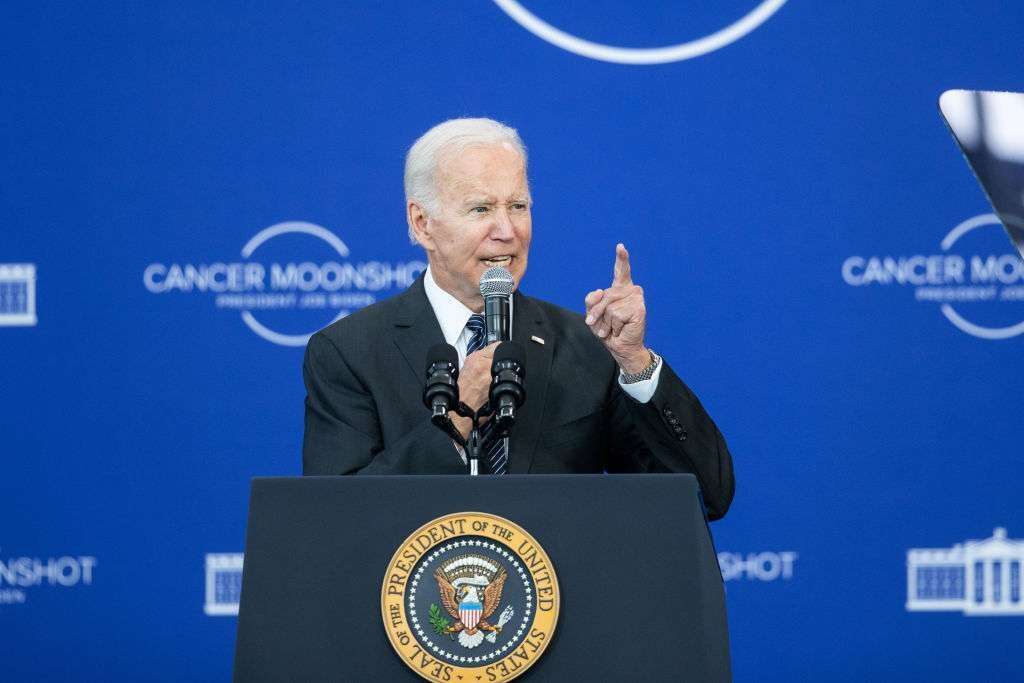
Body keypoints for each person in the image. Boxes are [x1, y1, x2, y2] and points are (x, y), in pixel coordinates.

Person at [302, 118, 734, 519]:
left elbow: (704, 496)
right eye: (481, 209)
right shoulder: (350, 352)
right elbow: (336, 520)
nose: (508, 231)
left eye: (519, 206)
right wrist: (458, 418)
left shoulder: (584, 346)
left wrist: (636, 364)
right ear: (422, 223)